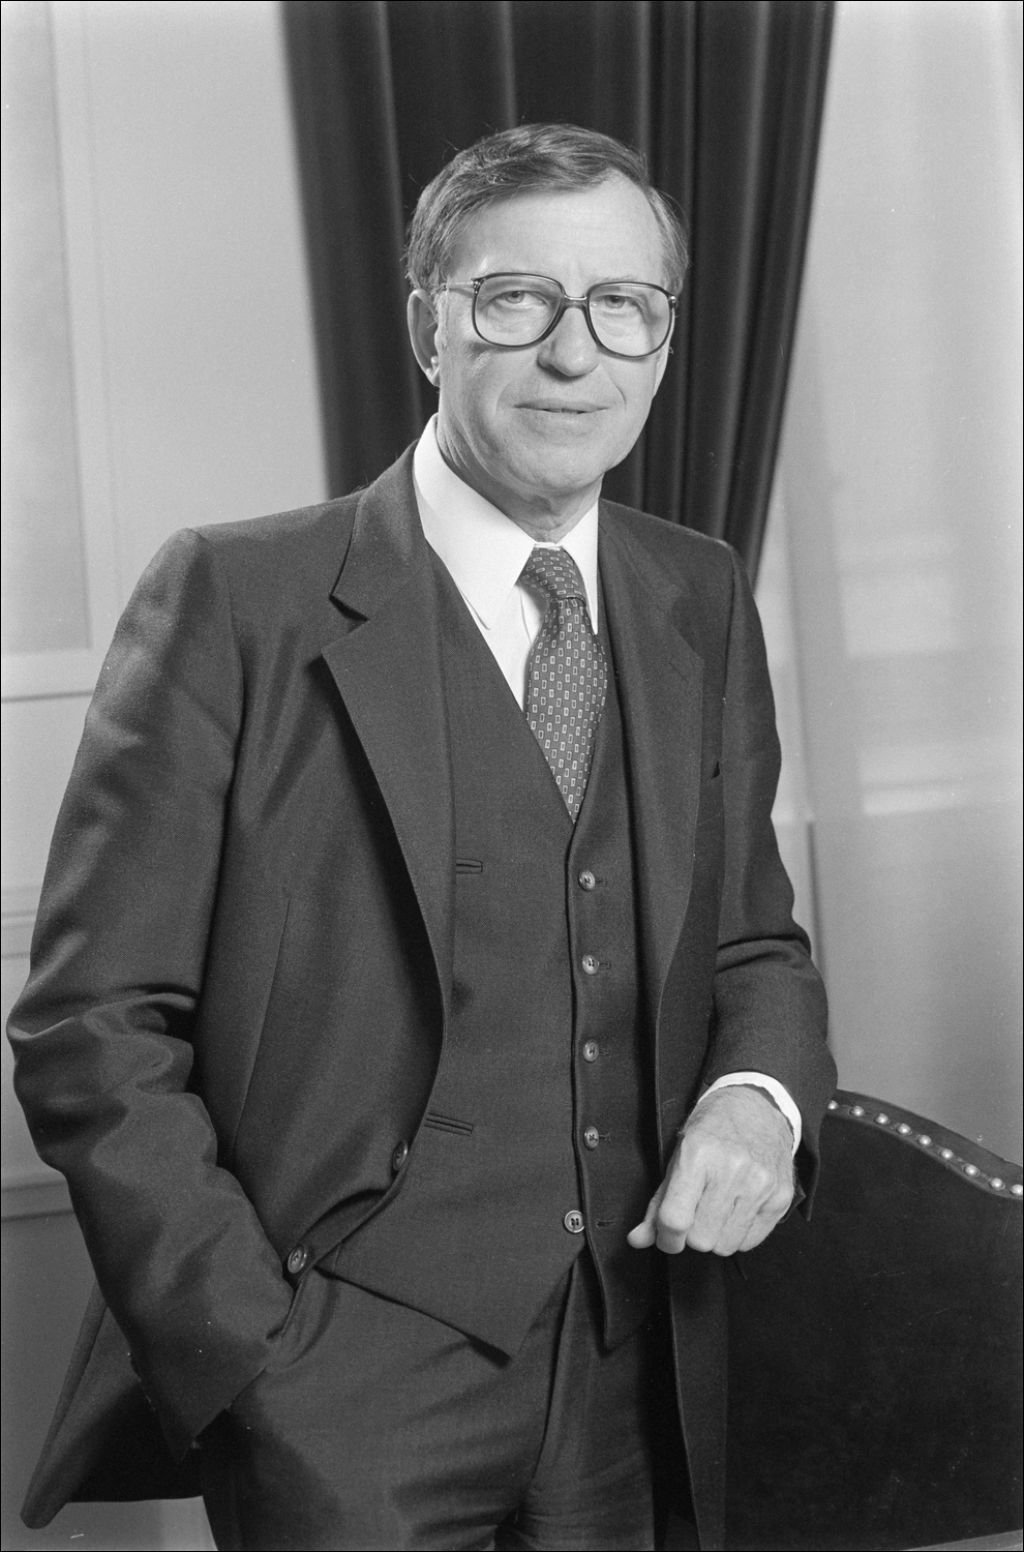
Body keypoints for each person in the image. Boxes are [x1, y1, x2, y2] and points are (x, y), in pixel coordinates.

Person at [9, 123, 834, 1552]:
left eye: (623, 305)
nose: (574, 353)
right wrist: (256, 1353)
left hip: (635, 1364)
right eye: (517, 300)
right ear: (427, 330)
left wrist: (762, 1097)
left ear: (662, 341)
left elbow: (752, 938)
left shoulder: (696, 594)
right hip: (337, 1390)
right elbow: (93, 1021)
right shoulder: (237, 600)